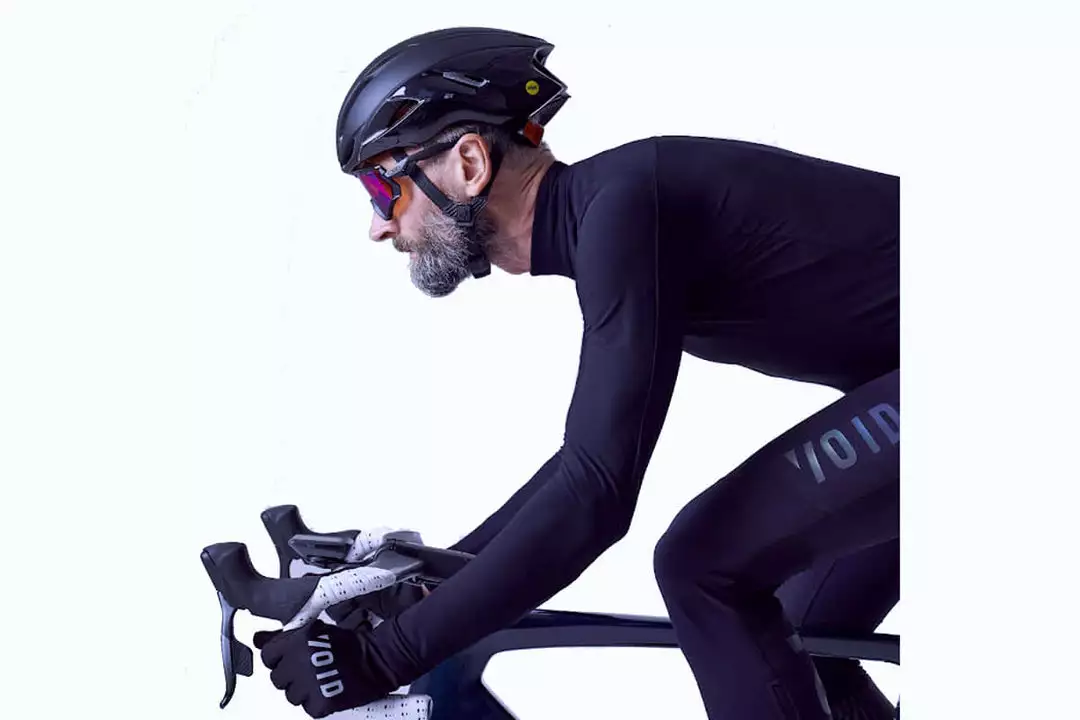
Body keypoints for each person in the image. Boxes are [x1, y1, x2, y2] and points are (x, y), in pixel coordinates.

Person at [251, 26, 900, 720]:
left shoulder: (627, 207)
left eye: (384, 188)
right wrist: (433, 582)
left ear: (469, 162)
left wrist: (384, 657)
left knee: (703, 566)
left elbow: (596, 493)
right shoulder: (615, 215)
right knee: (798, 648)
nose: (380, 226)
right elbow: (583, 463)